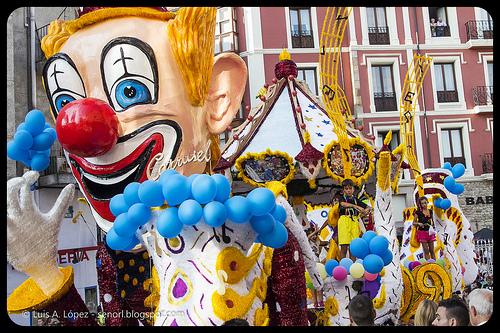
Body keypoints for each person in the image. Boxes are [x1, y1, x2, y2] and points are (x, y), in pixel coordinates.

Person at [337, 179, 372, 260]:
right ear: (343, 190)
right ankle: (343, 267)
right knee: (344, 246)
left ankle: (353, 267)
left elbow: (368, 207)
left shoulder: (356, 199)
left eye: (350, 188)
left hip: (354, 222)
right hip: (344, 221)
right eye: (346, 189)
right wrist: (355, 206)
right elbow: (343, 204)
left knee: (354, 246)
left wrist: (365, 211)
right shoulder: (341, 198)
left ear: (353, 189)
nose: (348, 190)